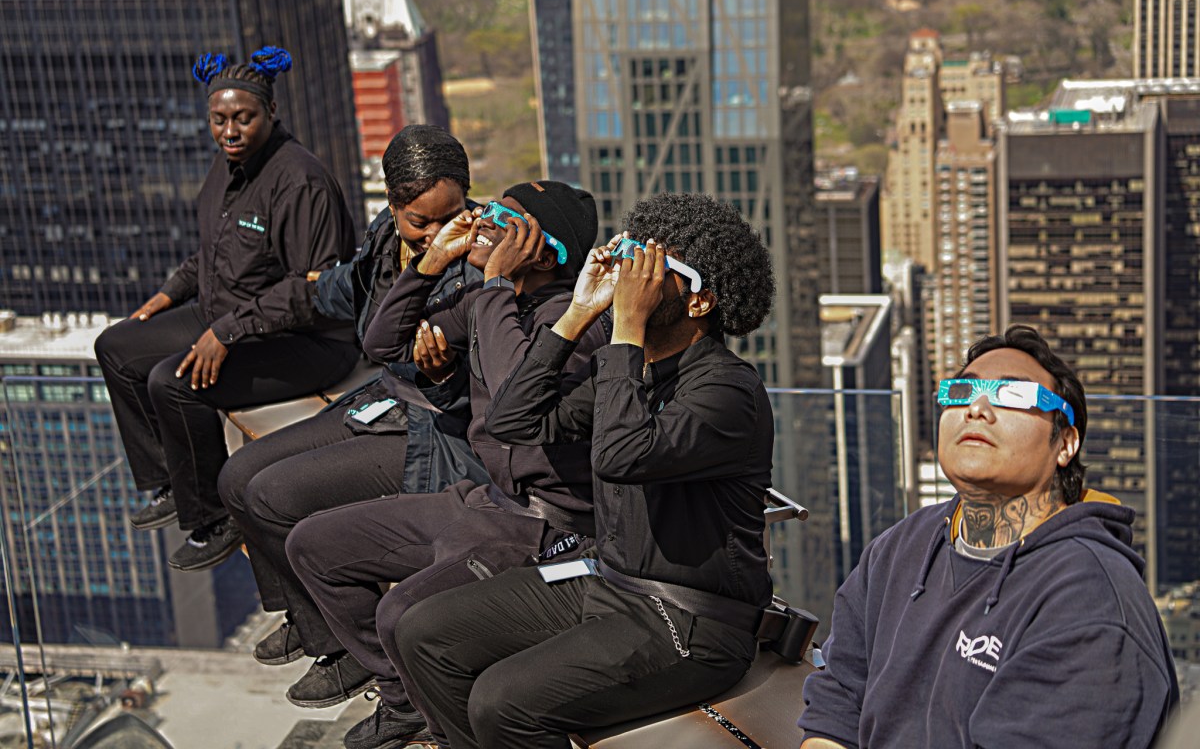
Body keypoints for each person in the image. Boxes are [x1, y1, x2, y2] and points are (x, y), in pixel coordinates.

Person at [395, 192, 778, 749]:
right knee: (422, 632)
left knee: (501, 702)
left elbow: (620, 456)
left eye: (653, 268)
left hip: (689, 622)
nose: (631, 276)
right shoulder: (633, 370)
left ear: (699, 301)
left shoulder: (728, 391)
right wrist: (576, 315)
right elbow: (513, 420)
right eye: (632, 257)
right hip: (607, 580)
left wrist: (626, 328)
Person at [285, 181, 607, 749]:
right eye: (490, 209)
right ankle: (404, 701)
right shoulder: (492, 300)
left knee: (402, 613)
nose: (483, 221)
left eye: (504, 218)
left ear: (544, 252)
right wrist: (430, 265)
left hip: (546, 528)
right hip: (486, 502)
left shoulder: (571, 324)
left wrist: (495, 283)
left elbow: (511, 402)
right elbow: (382, 344)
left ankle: (449, 731)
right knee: (313, 545)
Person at [797, 325, 1180, 749]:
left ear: (1065, 443)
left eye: (1013, 394)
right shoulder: (902, 547)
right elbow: (837, 703)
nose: (977, 408)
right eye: (962, 392)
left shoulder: (1090, 600)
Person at [213, 125, 489, 709]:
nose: (439, 234)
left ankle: (376, 665)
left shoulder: (485, 260)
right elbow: (345, 291)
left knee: (274, 495)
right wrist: (246, 316)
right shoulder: (386, 235)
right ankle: (317, 627)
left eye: (452, 215)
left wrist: (446, 374)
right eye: (421, 221)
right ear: (392, 204)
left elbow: (496, 383)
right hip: (385, 399)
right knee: (236, 478)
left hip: (437, 428)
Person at [93, 47, 359, 567]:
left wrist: (228, 332)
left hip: (306, 339)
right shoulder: (228, 166)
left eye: (243, 118)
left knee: (173, 382)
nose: (229, 131)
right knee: (117, 348)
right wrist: (170, 293)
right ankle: (175, 485)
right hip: (229, 314)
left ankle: (216, 517)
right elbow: (215, 252)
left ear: (271, 112)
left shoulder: (299, 181)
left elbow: (313, 288)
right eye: (219, 120)